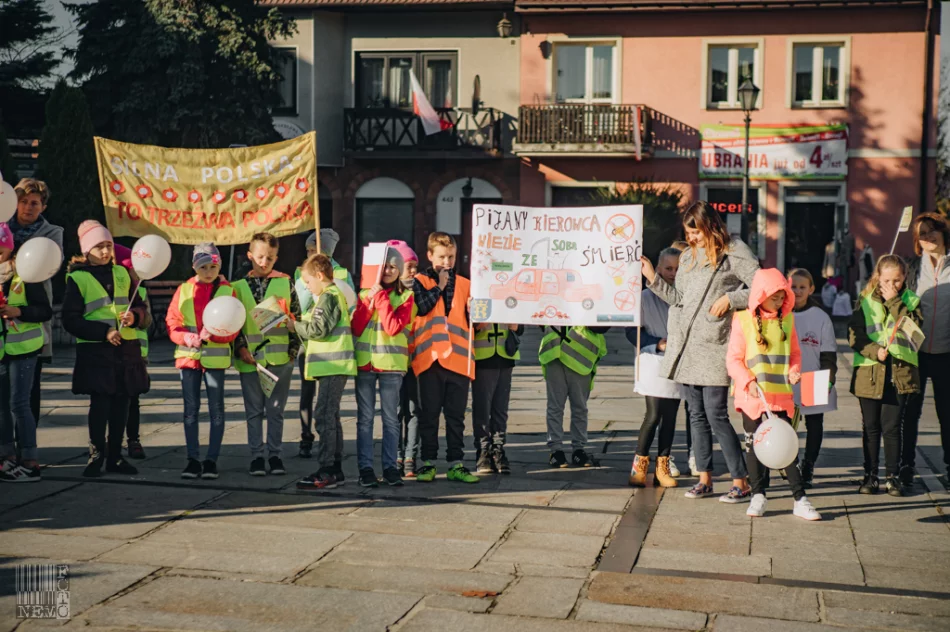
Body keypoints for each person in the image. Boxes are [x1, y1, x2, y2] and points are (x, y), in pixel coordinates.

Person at [641, 201, 758, 503]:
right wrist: (653, 278)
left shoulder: (734, 250)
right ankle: (704, 478)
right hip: (685, 346)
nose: (690, 239)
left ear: (710, 227)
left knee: (716, 414)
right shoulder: (688, 257)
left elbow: (761, 286)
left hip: (714, 344)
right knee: (695, 415)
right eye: (687, 233)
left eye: (695, 232)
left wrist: (732, 299)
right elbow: (678, 298)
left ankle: (740, 481)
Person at [726, 268, 821, 520]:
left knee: (787, 448)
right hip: (752, 398)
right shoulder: (742, 319)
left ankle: (800, 499)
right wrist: (748, 381)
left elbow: (795, 354)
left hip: (781, 396)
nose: (780, 301)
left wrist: (794, 371)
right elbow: (733, 360)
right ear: (761, 294)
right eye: (775, 296)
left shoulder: (788, 320)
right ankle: (758, 495)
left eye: (782, 296)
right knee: (754, 448)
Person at [62, 221, 149, 478]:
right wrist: (104, 332)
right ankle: (96, 454)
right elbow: (70, 320)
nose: (104, 251)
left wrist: (134, 316)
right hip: (97, 353)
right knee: (100, 405)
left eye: (108, 245)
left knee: (122, 403)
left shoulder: (123, 274)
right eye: (99, 246)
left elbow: (142, 309)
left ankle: (115, 456)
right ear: (87, 250)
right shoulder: (78, 278)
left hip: (126, 349)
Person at [849, 255, 921, 497]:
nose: (893, 285)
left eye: (898, 280)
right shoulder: (865, 300)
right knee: (871, 427)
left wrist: (894, 302)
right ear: (877, 278)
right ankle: (870, 475)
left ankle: (892, 476)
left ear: (905, 278)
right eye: (887, 280)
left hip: (899, 373)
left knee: (892, 428)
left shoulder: (911, 301)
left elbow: (915, 335)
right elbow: (855, 335)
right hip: (870, 371)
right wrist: (873, 350)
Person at [166, 243, 239, 480]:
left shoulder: (228, 291)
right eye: (203, 267)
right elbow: (172, 323)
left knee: (217, 411)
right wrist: (187, 338)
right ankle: (192, 459)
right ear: (194, 267)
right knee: (190, 411)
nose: (209, 271)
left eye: (213, 266)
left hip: (215, 360)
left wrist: (216, 335)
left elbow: (234, 327)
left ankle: (211, 460)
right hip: (189, 358)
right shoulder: (184, 290)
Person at [410, 232, 478, 484]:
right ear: (429, 256)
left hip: (459, 361)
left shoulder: (466, 284)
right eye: (441, 257)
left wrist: (476, 313)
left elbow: (474, 325)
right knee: (428, 415)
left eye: (450, 256)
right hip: (430, 360)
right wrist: (439, 284)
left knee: (456, 417)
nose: (447, 262)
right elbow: (423, 307)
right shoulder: (418, 281)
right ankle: (428, 462)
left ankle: (456, 463)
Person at [233, 232, 300, 477]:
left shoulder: (285, 282)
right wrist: (240, 348)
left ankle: (275, 454)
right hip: (250, 358)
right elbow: (234, 322)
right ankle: (257, 457)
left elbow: (297, 317)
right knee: (253, 410)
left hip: (280, 358)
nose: (265, 262)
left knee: (275, 410)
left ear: (276, 258)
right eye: (260, 257)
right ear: (250, 255)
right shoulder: (238, 287)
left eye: (270, 258)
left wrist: (293, 352)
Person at [352, 247, 414, 487]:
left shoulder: (406, 296)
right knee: (365, 419)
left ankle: (390, 468)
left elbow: (393, 327)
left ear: (399, 271)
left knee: (390, 419)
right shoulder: (364, 293)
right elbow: (356, 327)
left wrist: (380, 299)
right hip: (365, 364)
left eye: (392, 267)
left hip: (390, 365)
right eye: (384, 266)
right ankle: (365, 469)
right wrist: (368, 301)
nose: (387, 270)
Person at [295, 253, 357, 490]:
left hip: (334, 366)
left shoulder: (328, 297)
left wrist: (295, 325)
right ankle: (334, 468)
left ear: (320, 276)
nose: (308, 287)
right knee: (331, 417)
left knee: (323, 417)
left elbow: (318, 329)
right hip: (331, 367)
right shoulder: (328, 296)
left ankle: (327, 469)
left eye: (308, 282)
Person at [0, 223, 52, 482]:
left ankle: (30, 461)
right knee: (1, 405)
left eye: (2, 247)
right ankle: (7, 457)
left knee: (19, 404)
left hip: (24, 349)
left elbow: (45, 310)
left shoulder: (25, 273)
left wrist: (19, 312)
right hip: (1, 350)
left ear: (10, 247)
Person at [627, 246, 682, 488]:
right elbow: (631, 331)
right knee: (654, 414)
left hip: (678, 362)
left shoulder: (684, 297)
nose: (672, 273)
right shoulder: (644, 298)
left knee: (670, 417)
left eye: (677, 269)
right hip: (652, 360)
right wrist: (655, 343)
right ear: (657, 269)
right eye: (668, 268)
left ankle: (663, 465)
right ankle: (640, 463)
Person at [11, 179, 64, 427]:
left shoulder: (52, 233)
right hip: (4, 318)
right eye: (23, 202)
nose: (28, 208)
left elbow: (49, 266)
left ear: (43, 207)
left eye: (34, 203)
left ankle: (28, 447)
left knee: (29, 389)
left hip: (32, 315)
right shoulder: (2, 227)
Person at [902, 212, 950, 482]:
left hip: (947, 353)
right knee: (910, 412)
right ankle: (906, 465)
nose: (928, 237)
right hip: (915, 353)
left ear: (944, 234)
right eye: (922, 233)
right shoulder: (910, 268)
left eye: (933, 231)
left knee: (948, 414)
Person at [788, 268, 838, 487]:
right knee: (785, 424)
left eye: (802, 287)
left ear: (811, 289)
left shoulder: (820, 317)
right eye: (793, 286)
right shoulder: (780, 313)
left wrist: (828, 378)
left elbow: (828, 354)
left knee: (814, 424)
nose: (797, 291)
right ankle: (789, 462)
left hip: (813, 376)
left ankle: (808, 465)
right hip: (786, 378)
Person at [542, 325, 608, 468]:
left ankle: (578, 450)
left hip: (580, 355)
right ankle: (556, 451)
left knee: (579, 407)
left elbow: (602, 325)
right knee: (556, 407)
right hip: (555, 354)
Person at [387, 240, 421, 478]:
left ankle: (410, 456)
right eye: (408, 266)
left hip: (417, 361)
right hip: (395, 361)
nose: (413, 271)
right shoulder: (389, 293)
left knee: (414, 410)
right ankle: (397, 455)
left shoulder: (421, 292)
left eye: (415, 266)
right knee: (397, 411)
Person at [114, 244, 150, 460]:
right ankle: (112, 440)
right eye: (132, 268)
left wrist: (136, 317)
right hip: (114, 349)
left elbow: (148, 321)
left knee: (133, 397)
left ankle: (133, 438)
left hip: (136, 352)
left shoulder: (141, 289)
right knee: (112, 397)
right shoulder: (112, 287)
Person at [473, 320, 523, 475]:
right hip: (483, 357)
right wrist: (477, 326)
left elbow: (521, 322)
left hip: (505, 355)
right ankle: (483, 451)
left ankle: (498, 449)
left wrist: (517, 326)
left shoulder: (508, 295)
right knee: (483, 408)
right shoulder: (477, 295)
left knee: (501, 409)